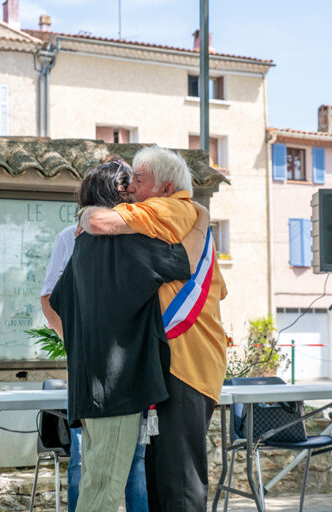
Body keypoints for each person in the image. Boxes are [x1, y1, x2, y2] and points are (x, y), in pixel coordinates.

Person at [50, 161, 209, 512]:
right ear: (115, 195)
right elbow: (186, 259)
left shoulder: (82, 248)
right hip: (115, 391)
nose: (133, 194)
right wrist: (202, 220)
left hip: (86, 389)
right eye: (127, 186)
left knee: (95, 480)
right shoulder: (125, 246)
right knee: (104, 493)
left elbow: (58, 302)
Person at [80, 145, 227, 511]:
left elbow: (99, 222)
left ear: (164, 188)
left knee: (178, 481)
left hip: (185, 363)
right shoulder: (186, 215)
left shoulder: (170, 208)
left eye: (138, 181)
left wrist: (83, 210)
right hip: (178, 361)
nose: (130, 189)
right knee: (162, 478)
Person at [39, 158, 149, 512]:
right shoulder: (72, 238)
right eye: (127, 185)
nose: (132, 192)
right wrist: (80, 341)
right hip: (103, 377)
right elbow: (50, 299)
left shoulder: (130, 237)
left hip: (119, 374)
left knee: (128, 469)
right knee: (92, 474)